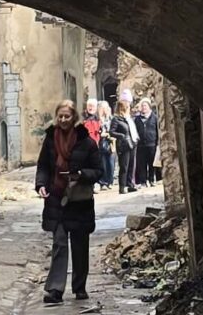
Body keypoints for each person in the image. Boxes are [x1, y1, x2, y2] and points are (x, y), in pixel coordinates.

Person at [34, 100, 103, 302]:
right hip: (57, 199)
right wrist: (41, 184)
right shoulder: (50, 139)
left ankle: (79, 287)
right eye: (60, 116)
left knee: (80, 246)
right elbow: (43, 166)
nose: (63, 120)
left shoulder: (86, 142)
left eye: (67, 116)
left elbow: (99, 171)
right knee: (59, 244)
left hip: (79, 200)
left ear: (74, 118)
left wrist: (82, 174)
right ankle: (55, 289)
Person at [112, 100, 138, 193]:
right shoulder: (116, 119)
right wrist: (121, 136)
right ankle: (122, 187)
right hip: (123, 145)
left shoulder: (128, 118)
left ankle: (130, 184)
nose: (129, 109)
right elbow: (112, 132)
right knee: (124, 166)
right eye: (127, 107)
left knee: (132, 165)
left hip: (132, 143)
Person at [135, 98, 160, 185]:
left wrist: (158, 142)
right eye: (142, 106)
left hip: (152, 144)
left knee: (152, 163)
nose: (143, 107)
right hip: (141, 145)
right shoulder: (137, 119)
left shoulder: (155, 118)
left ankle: (152, 180)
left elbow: (157, 130)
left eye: (145, 106)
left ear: (149, 107)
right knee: (142, 164)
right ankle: (143, 181)